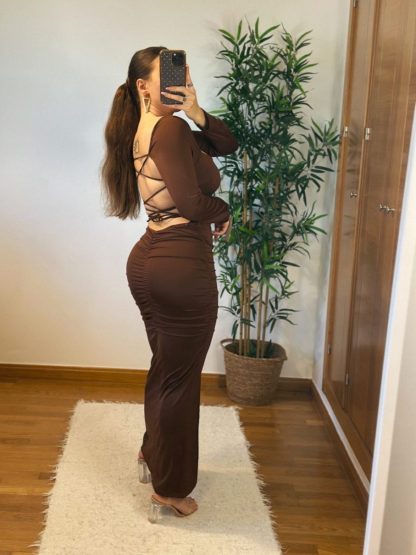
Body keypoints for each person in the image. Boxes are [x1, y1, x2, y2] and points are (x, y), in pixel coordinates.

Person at [100, 46, 238, 521]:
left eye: (184, 71)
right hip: (180, 266)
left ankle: (152, 453)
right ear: (143, 86)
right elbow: (194, 204)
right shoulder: (171, 130)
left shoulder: (151, 128)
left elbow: (226, 143)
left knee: (166, 370)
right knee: (179, 380)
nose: (182, 79)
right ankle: (170, 490)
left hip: (151, 259)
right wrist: (224, 210)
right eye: (170, 75)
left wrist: (196, 110)